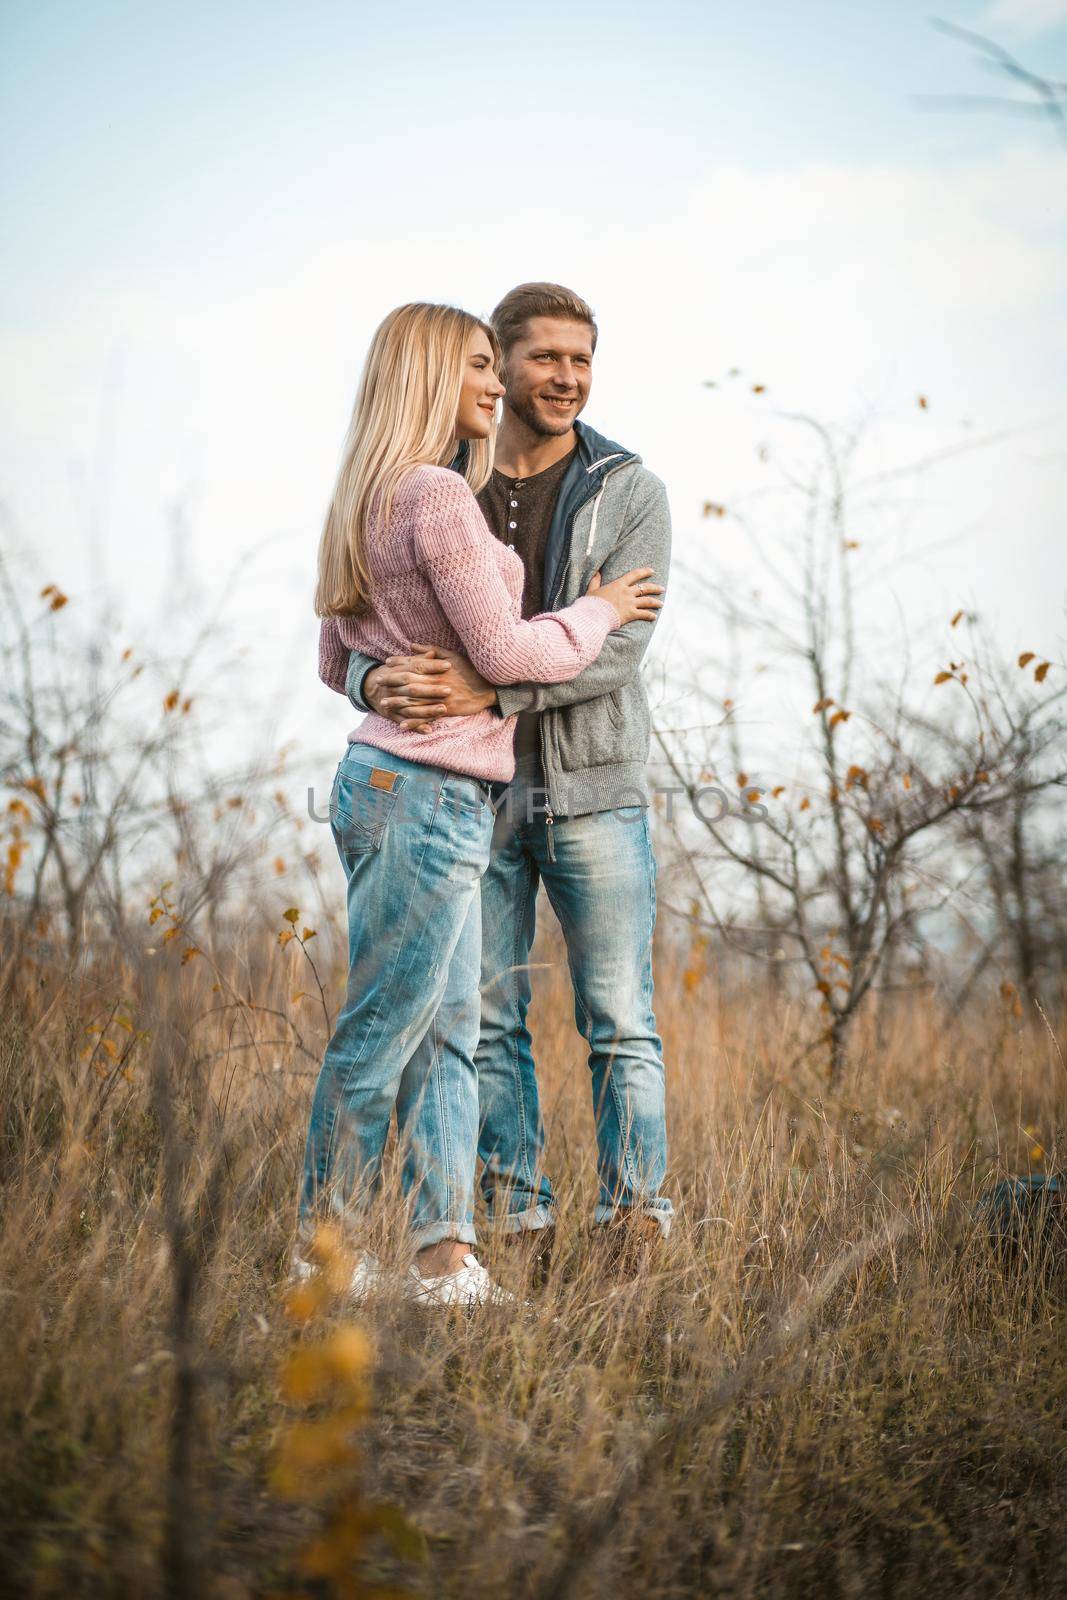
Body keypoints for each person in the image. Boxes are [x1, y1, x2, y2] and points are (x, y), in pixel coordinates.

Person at [298, 301, 663, 1309]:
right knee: (387, 1027)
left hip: (409, 782)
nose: (494, 384)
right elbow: (503, 652)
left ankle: (443, 1256)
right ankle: (319, 1255)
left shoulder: (369, 492)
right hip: (426, 791)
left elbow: (336, 656)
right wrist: (599, 608)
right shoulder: (440, 495)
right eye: (479, 365)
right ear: (429, 374)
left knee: (451, 1027)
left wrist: (378, 684)